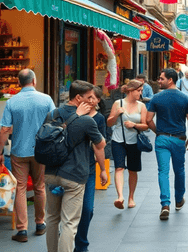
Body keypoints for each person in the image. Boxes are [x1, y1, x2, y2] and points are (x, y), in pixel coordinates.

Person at [44, 81, 107, 252]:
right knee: (69, 223)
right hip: (74, 174)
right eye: (88, 97)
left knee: (51, 218)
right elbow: (100, 144)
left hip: (51, 172)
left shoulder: (53, 113)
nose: (93, 101)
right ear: (78, 98)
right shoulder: (86, 120)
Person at [0, 69, 55, 242]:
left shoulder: (12, 102)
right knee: (39, 187)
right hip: (41, 150)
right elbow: (55, 123)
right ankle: (40, 223)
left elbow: (4, 130)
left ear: (19, 83)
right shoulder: (46, 99)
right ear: (34, 81)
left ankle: (22, 230)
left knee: (21, 189)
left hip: (19, 151)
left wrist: (0, 151)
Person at [147, 69, 188, 220]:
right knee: (179, 170)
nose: (159, 81)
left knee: (163, 171)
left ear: (170, 80)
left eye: (161, 79)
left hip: (162, 139)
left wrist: (158, 132)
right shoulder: (185, 98)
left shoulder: (156, 98)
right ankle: (179, 199)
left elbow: (148, 120)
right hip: (179, 139)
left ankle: (165, 204)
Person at [107, 79, 148, 210]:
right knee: (119, 167)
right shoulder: (118, 103)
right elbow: (109, 123)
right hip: (118, 140)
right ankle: (120, 196)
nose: (140, 93)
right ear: (130, 90)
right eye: (138, 90)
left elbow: (145, 125)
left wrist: (134, 125)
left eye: (141, 91)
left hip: (134, 141)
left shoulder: (142, 106)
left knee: (133, 170)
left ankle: (131, 197)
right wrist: (116, 115)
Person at [74, 85, 107, 252]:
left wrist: (103, 169)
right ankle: (76, 240)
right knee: (71, 209)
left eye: (95, 98)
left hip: (89, 167)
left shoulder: (99, 119)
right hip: (71, 167)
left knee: (87, 209)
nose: (91, 101)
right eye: (89, 97)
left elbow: (100, 145)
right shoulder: (74, 115)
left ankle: (80, 242)